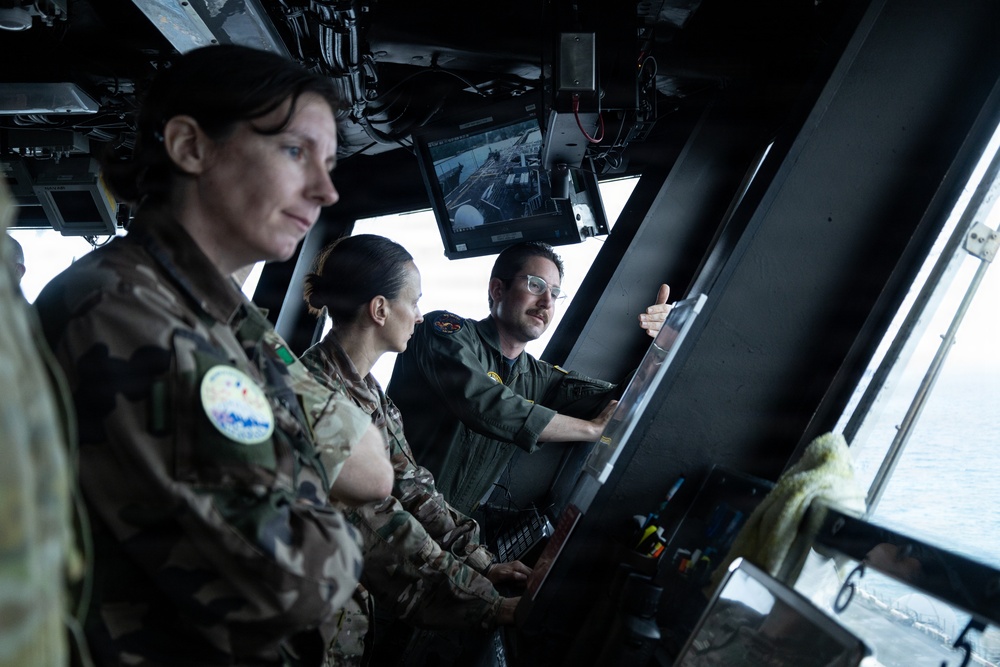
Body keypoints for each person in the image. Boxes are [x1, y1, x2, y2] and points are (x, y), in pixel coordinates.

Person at [33, 44, 393, 667]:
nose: (327, 190)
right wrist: (330, 525)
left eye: (330, 163)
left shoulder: (208, 312)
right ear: (190, 147)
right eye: (294, 151)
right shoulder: (122, 310)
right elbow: (289, 583)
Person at [300, 234, 532, 664]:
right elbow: (376, 524)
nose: (420, 316)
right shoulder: (314, 398)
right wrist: (489, 604)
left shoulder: (368, 392)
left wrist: (482, 563)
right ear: (380, 309)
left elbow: (413, 488)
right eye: (415, 301)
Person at [387, 240, 671, 513]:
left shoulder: (539, 377)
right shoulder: (443, 332)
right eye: (536, 285)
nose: (547, 302)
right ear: (498, 289)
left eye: (555, 293)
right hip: (385, 516)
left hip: (446, 538)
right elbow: (483, 403)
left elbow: (616, 403)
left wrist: (663, 348)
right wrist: (591, 430)